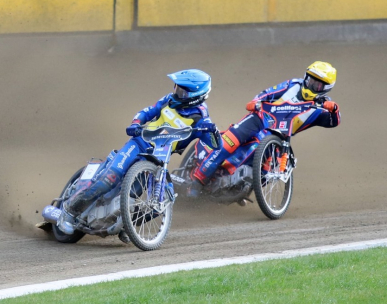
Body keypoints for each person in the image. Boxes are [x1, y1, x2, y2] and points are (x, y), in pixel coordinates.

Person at [60, 70, 220, 234]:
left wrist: (212, 131)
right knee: (109, 178)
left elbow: (215, 146)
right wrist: (136, 123)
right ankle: (68, 212)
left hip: (157, 159)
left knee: (159, 199)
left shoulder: (201, 119)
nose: (177, 92)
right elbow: (147, 112)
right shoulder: (168, 101)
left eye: (182, 91)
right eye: (177, 88)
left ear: (196, 96)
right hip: (138, 144)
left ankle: (126, 226)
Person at [189, 61, 341, 196]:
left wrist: (334, 110)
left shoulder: (321, 107)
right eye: (310, 79)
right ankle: (197, 180)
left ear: (326, 88)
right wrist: (256, 102)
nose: (312, 84)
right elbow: (267, 93)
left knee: (266, 171)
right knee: (229, 141)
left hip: (277, 137)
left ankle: (239, 189)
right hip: (260, 119)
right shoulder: (293, 85)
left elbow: (333, 122)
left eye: (318, 84)